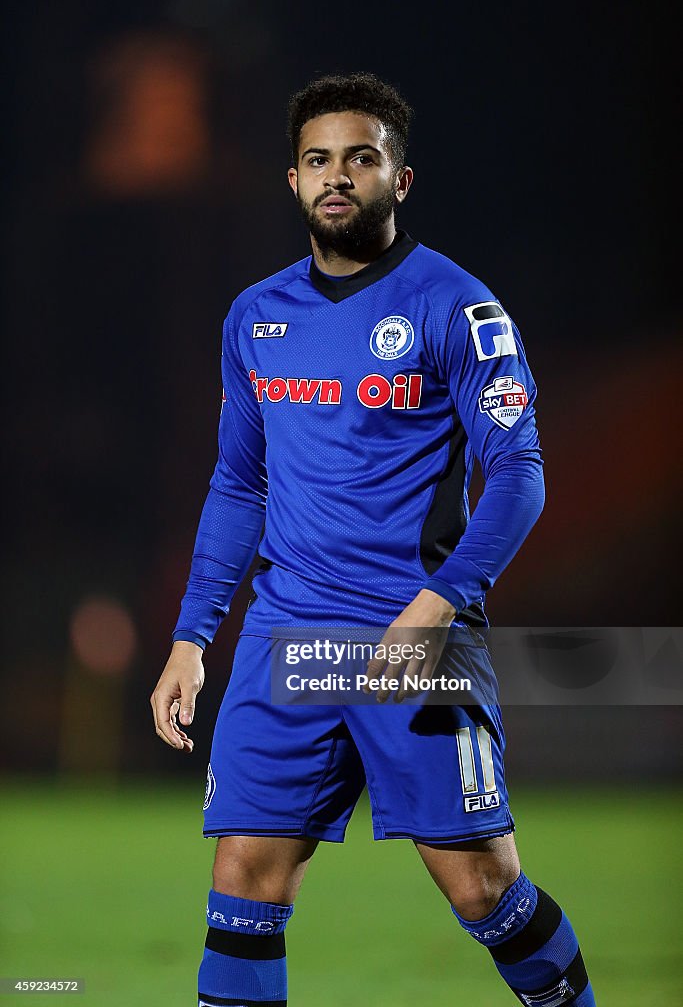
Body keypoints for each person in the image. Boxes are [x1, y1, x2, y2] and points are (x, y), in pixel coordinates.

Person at [151, 72, 595, 1007]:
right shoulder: (256, 318)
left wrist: (434, 610)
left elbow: (518, 476)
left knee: (482, 889)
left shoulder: (457, 308)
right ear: (293, 182)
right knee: (243, 881)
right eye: (319, 160)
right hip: (288, 638)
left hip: (415, 639)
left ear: (400, 179)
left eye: (361, 157)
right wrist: (193, 637)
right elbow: (238, 484)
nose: (337, 176)